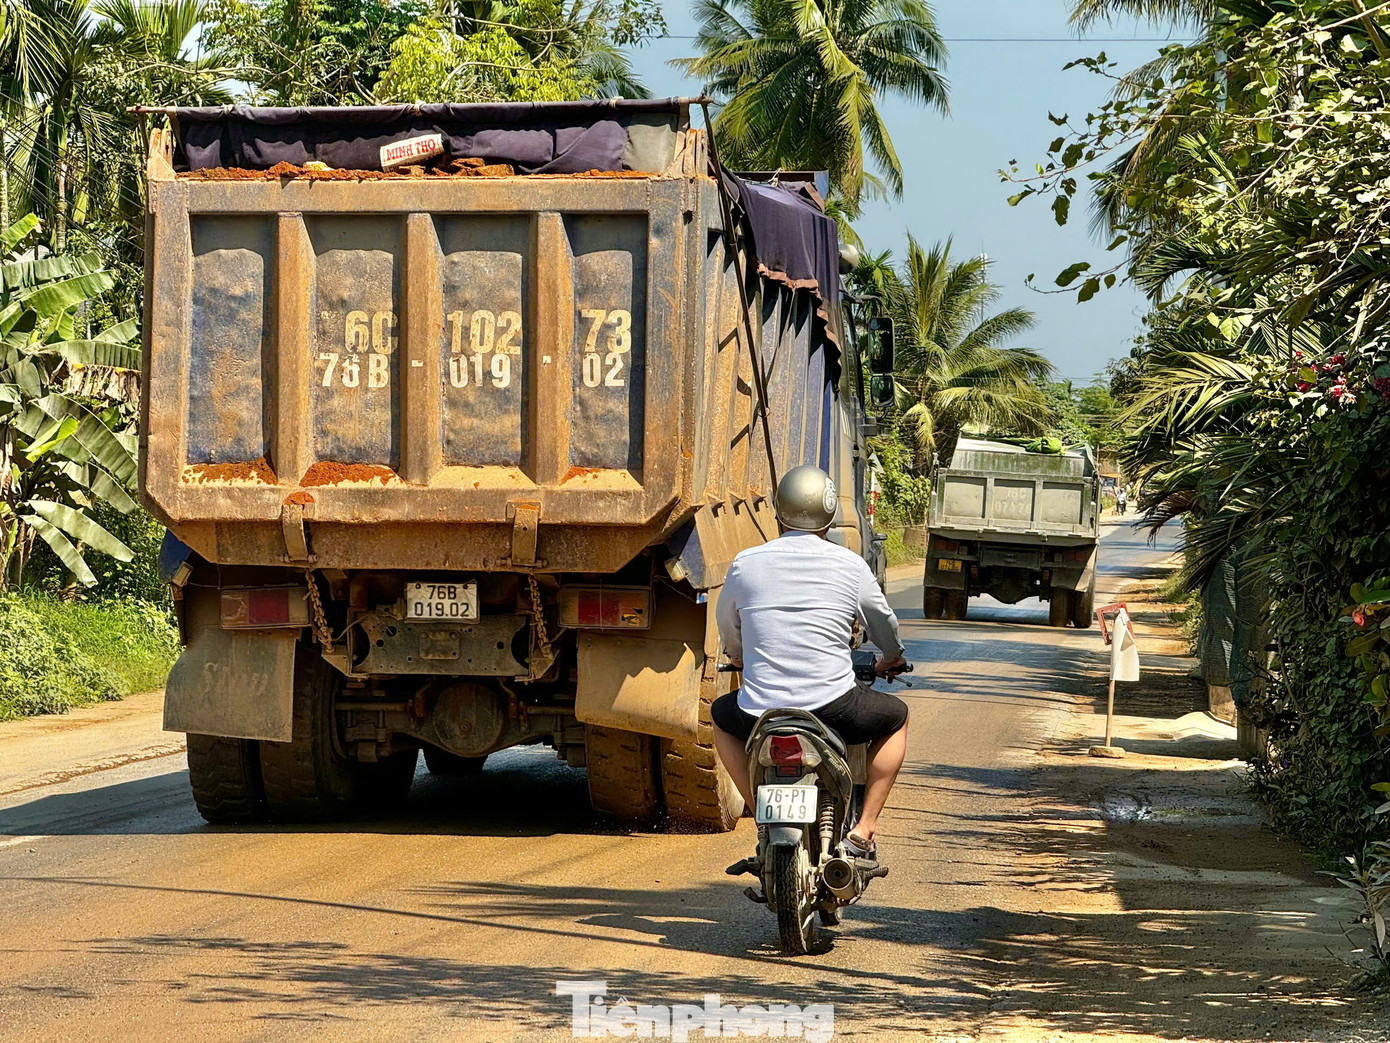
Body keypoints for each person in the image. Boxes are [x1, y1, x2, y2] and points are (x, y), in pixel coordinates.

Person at [712, 464, 910, 866]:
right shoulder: (850, 565)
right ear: (831, 513)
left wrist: (739, 658)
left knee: (720, 716)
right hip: (833, 705)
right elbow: (882, 622)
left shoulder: (745, 563)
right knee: (898, 717)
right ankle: (864, 829)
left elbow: (728, 626)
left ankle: (759, 812)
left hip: (759, 711)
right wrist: (891, 657)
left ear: (778, 512)